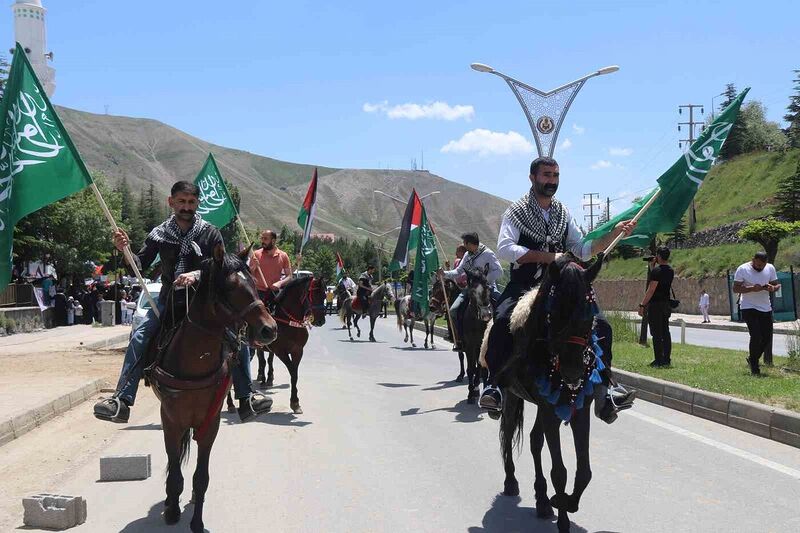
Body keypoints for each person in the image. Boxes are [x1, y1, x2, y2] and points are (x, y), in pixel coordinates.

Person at [93, 181, 272, 424]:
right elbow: (140, 263)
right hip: (169, 301)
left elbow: (222, 268)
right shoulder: (159, 234)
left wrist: (196, 274)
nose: (186, 207)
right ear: (171, 202)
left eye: (191, 202)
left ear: (197, 203)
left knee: (236, 336)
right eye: (181, 202)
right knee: (139, 336)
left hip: (205, 303)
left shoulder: (210, 232)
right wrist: (125, 250)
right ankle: (122, 400)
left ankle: (247, 396)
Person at [480, 156, 637, 414]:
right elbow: (505, 249)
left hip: (560, 285)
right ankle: (494, 385)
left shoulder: (563, 213)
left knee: (601, 324)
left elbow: (582, 249)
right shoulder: (516, 211)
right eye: (546, 175)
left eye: (555, 176)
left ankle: (607, 388)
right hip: (524, 284)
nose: (551, 181)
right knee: (501, 320)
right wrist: (549, 257)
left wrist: (613, 234)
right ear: (533, 178)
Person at [438, 232, 503, 351]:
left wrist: (483, 280)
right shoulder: (467, 255)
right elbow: (458, 271)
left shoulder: (487, 254)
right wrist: (445, 274)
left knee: (503, 309)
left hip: (487, 288)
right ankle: (459, 340)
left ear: (469, 243)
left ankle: (502, 340)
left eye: (465, 243)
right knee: (453, 310)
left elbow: (499, 271)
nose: (464, 246)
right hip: (470, 289)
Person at [733, 251, 779, 375]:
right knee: (756, 335)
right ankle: (755, 367)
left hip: (765, 307)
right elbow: (735, 288)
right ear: (753, 260)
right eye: (758, 265)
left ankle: (752, 358)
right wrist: (752, 288)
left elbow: (776, 284)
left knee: (767, 337)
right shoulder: (742, 269)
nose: (760, 268)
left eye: (762, 266)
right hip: (748, 307)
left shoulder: (770, 268)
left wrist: (772, 288)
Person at [638, 247, 674, 368]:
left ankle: (658, 359)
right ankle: (666, 358)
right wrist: (652, 267)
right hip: (666, 304)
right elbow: (660, 280)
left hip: (656, 305)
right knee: (665, 332)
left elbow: (651, 289)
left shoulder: (657, 271)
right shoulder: (670, 270)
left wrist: (642, 304)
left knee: (656, 333)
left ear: (658, 256)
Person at [249, 230, 293, 307]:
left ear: (273, 241)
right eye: (262, 238)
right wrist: (254, 267)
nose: (262, 241)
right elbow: (249, 275)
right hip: (257, 294)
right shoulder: (256, 254)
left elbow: (289, 277)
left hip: (274, 294)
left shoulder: (283, 255)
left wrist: (280, 283)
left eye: (265, 239)